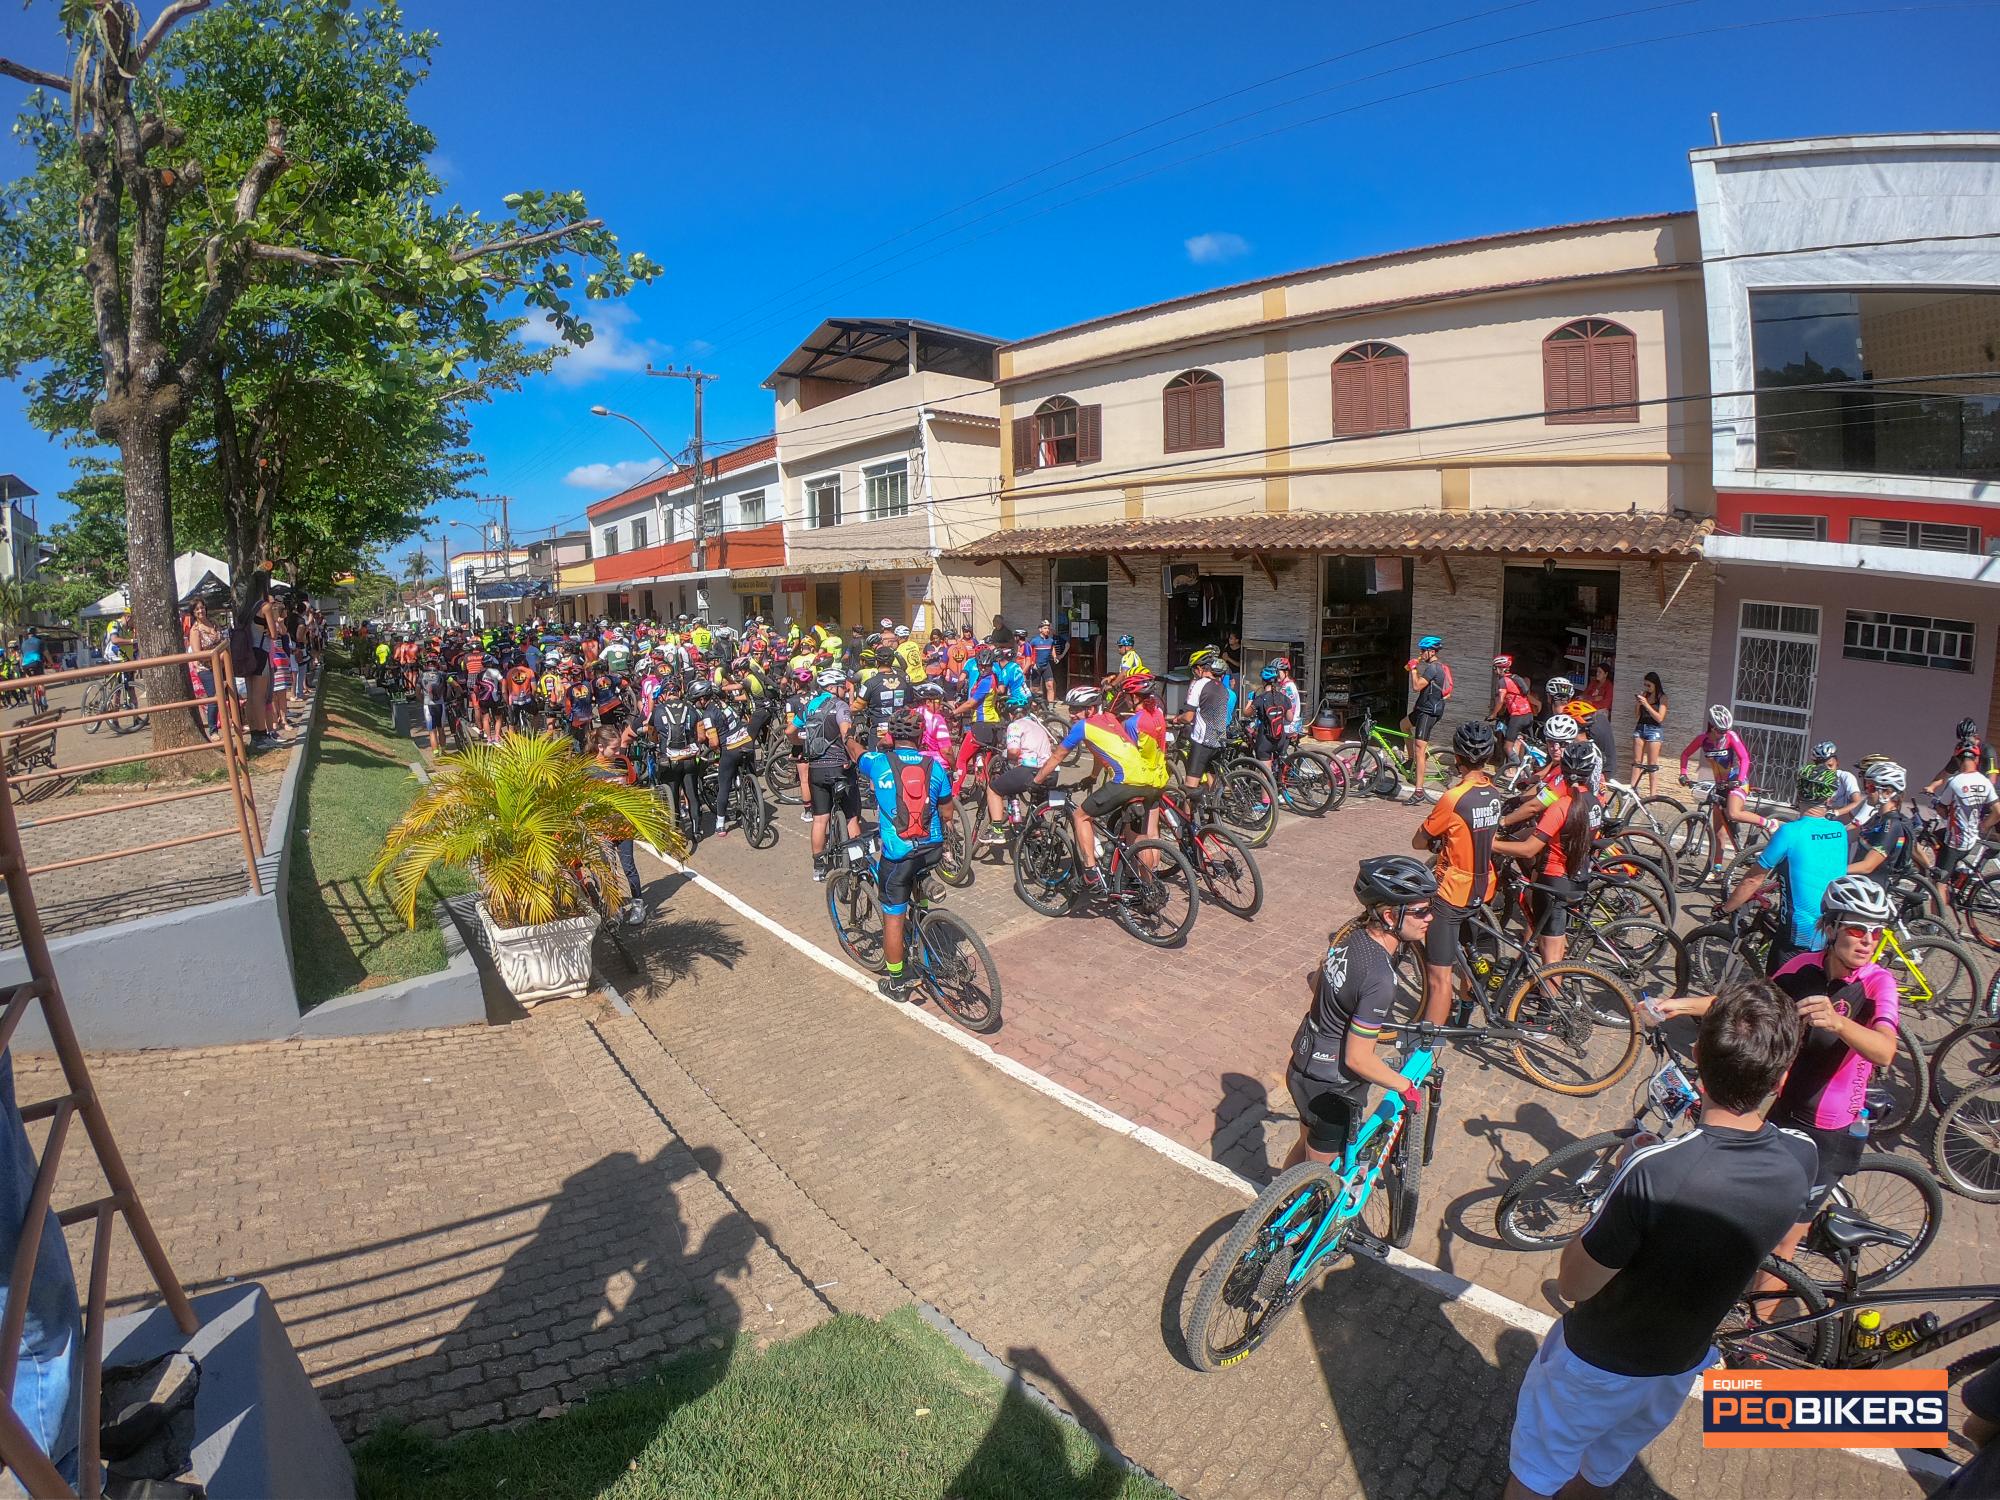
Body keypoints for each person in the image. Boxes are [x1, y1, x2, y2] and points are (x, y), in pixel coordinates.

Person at [1503, 980, 1816, 1500]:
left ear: (1696, 1057)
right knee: (1599, 1469)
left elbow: (1576, 1282)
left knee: (1536, 1474)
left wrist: (1621, 1180)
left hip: (1596, 1362)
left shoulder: (1655, 1169)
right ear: (1781, 1081)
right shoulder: (1803, 1156)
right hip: (1678, 1365)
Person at [1653, 875, 1897, 1297]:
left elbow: (1885, 1051)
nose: (1868, 941)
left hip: (1831, 1131)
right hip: (1785, 1111)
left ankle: (1754, 1333)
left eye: (1877, 932)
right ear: (1832, 926)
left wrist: (1839, 1023)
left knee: (1785, 1238)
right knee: (1747, 1202)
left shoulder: (1877, 983)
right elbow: (1745, 1005)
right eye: (1858, 929)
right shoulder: (1802, 967)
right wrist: (1680, 1006)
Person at [1282, 856, 1437, 1171]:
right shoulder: (1380, 978)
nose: (1430, 918)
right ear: (1392, 915)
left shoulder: (1352, 937)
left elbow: (1316, 981)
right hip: (1332, 1087)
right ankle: (1292, 1218)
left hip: (1302, 1067)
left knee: (1304, 1150)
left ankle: (1272, 1207)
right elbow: (1358, 1059)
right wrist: (1405, 1086)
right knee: (1318, 1175)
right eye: (1421, 911)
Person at [1030, 685, 1168, 893]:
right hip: (1148, 782)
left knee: (1081, 816)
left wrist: (1036, 782)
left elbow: (1057, 756)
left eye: (1077, 709)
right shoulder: (1112, 720)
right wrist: (1092, 777)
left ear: (1091, 709)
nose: (1072, 714)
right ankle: (1147, 887)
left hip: (1125, 782)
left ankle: (1090, 873)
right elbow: (1101, 751)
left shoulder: (1083, 727)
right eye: (1070, 708)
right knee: (1137, 839)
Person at [858, 709, 954, 1001]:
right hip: (932, 849)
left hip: (898, 855)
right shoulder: (935, 766)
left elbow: (856, 753)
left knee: (893, 918)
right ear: (920, 736)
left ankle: (897, 982)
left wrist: (849, 736)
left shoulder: (877, 763)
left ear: (889, 736)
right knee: (919, 872)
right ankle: (923, 912)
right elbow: (948, 811)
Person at [1718, 762, 1849, 967]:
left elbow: (1753, 878)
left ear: (1798, 794)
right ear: (1830, 798)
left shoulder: (1789, 832)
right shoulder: (1839, 830)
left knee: (1777, 993)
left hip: (1798, 935)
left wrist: (1726, 908)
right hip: (1832, 929)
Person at [1414, 721, 1501, 1026]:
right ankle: (1464, 1016)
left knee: (1439, 976)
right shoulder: (1493, 792)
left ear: (1457, 756)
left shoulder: (1453, 797)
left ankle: (1426, 1051)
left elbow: (1419, 840)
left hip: (1452, 891)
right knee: (1469, 952)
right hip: (1482, 888)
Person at [1495, 743, 1602, 966]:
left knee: (1551, 961)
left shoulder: (1562, 806)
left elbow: (1528, 849)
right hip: (1578, 878)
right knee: (1546, 933)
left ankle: (1548, 999)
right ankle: (1522, 965)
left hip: (1553, 882)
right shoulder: (1594, 804)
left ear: (1562, 769)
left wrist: (1492, 844)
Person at [1678, 705, 1768, 877]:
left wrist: (1740, 779)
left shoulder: (1731, 736)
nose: (1723, 733)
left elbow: (1745, 758)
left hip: (1737, 782)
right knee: (1719, 831)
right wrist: (1683, 773)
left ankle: (1769, 823)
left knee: (1733, 813)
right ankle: (1717, 869)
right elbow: (1684, 755)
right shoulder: (1703, 739)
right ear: (1712, 726)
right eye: (1720, 730)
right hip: (1720, 785)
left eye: (1726, 730)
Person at [805, 669, 863, 877]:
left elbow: (791, 732)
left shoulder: (809, 707)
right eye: (842, 685)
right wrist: (855, 757)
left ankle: (818, 868)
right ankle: (857, 863)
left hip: (816, 768)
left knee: (820, 818)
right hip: (839, 767)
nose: (845, 688)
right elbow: (846, 733)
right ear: (832, 687)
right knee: (851, 817)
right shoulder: (840, 706)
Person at [984, 694, 1052, 844]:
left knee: (993, 790)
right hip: (1052, 771)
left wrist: (1004, 753)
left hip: (1030, 769)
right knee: (1036, 809)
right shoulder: (1038, 724)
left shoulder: (1014, 725)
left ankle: (996, 830)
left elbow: (1014, 752)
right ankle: (1040, 836)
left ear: (1010, 714)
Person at [1403, 635, 1451, 801]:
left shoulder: (1433, 668)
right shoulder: (1434, 666)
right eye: (1421, 650)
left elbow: (1416, 686)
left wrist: (1413, 669)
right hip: (1423, 708)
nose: (1421, 653)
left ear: (1431, 651)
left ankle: (1418, 791)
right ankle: (1410, 761)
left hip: (1429, 712)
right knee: (1404, 725)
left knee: (1420, 749)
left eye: (1423, 650)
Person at [1177, 649, 1229, 790]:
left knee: (1190, 787)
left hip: (1203, 742)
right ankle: (1217, 809)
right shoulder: (1223, 688)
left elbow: (1188, 717)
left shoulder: (1199, 684)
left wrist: (1177, 719)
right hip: (1219, 741)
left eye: (1194, 670)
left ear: (1200, 668)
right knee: (1213, 783)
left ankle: (1186, 813)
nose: (1194, 673)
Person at [184, 600, 222, 737]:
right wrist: (217, 656)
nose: (201, 611)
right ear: (193, 612)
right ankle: (213, 730)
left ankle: (236, 722)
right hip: (206, 669)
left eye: (202, 607)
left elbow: (222, 641)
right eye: (197, 609)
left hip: (222, 666)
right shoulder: (195, 630)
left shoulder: (214, 623)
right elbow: (197, 654)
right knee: (214, 697)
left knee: (230, 692)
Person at [1489, 654, 1533, 767]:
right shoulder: (1516, 678)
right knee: (1527, 743)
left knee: (1507, 747)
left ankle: (1520, 769)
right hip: (1528, 714)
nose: (1494, 671)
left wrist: (1493, 714)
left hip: (1517, 716)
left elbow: (1500, 700)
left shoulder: (1503, 681)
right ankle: (1530, 766)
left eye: (1495, 668)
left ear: (1500, 668)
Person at [1630, 672, 1667, 793]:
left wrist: (1646, 704)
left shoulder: (1662, 697)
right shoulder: (1645, 695)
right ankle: (1633, 789)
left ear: (1656, 684)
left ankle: (1653, 795)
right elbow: (1637, 715)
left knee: (1652, 764)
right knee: (1637, 762)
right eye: (1645, 685)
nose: (1647, 688)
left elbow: (1660, 718)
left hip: (1654, 730)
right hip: (1640, 727)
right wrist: (1638, 703)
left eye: (1649, 685)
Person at [1811, 741, 1864, 823]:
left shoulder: (1846, 777)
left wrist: (1836, 812)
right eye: (1823, 767)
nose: (1827, 770)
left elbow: (1857, 801)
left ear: (1837, 763)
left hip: (1844, 826)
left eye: (1830, 765)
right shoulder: (1814, 780)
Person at [1024, 620, 1058, 703]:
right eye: (1045, 628)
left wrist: (1055, 657)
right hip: (1036, 667)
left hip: (1046, 666)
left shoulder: (1050, 640)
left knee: (1050, 686)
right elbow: (1028, 651)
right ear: (1040, 629)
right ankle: (1035, 707)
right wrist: (1032, 663)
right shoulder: (1034, 641)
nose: (1047, 630)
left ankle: (1050, 708)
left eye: (1048, 628)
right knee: (1035, 689)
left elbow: (1052, 647)